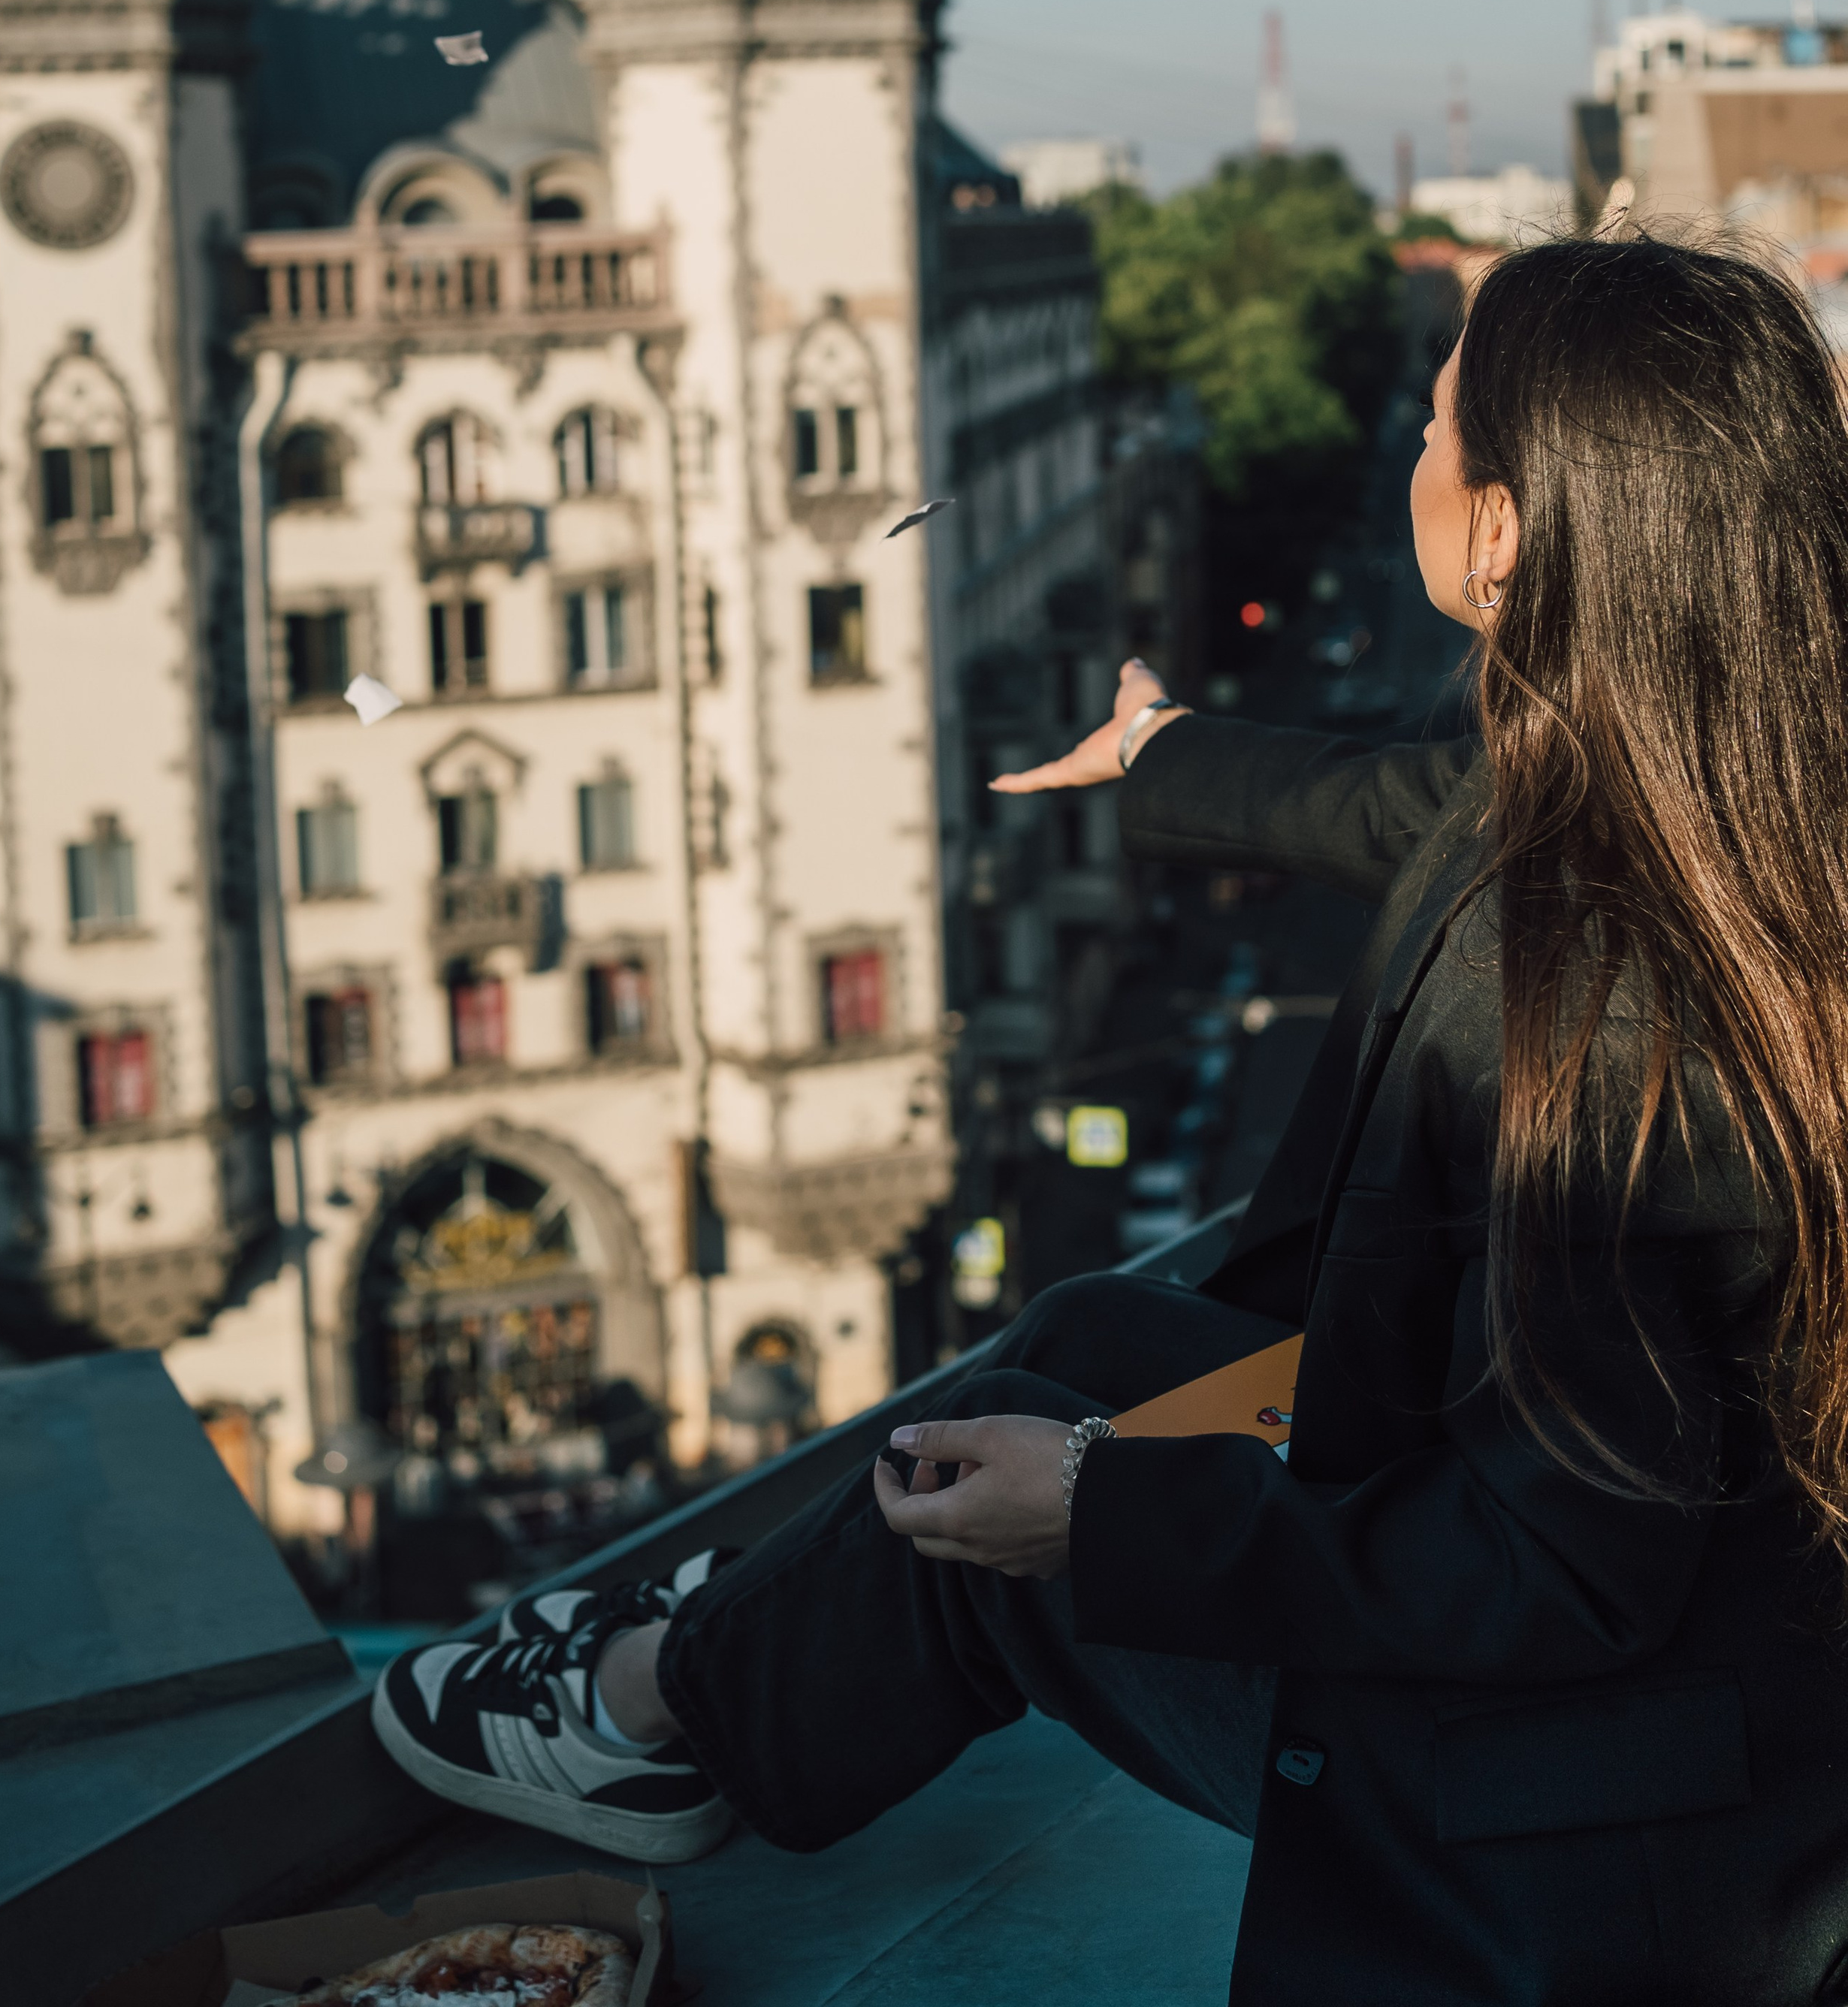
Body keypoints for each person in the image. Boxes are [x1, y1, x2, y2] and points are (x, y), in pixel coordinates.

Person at [376, 234, 1848, 2004]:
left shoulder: (1591, 994)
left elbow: (1552, 1562)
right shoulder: (1739, 770)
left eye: (1437, 426)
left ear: (1504, 529)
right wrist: (1161, 760)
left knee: (993, 1492)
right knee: (1094, 1332)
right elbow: (1423, 806)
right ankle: (701, 1661)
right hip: (1733, 1670)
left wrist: (1092, 1511)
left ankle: (648, 1716)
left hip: (1604, 1815)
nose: (1414, 453)